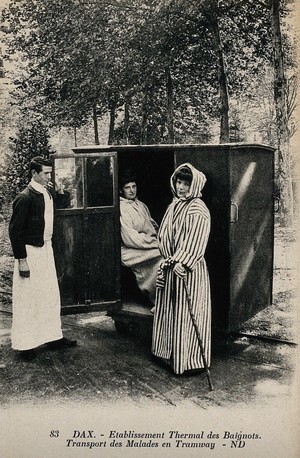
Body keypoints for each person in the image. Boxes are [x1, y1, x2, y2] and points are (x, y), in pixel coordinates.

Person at [9, 156, 77, 361]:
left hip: (46, 250)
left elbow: (59, 207)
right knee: (28, 299)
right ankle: (25, 344)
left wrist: (62, 191)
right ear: (34, 174)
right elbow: (15, 231)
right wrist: (22, 260)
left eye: (50, 172)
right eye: (46, 173)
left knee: (49, 295)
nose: (49, 176)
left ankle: (53, 337)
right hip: (30, 253)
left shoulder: (46, 193)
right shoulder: (25, 197)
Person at [152, 163, 211, 375]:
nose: (182, 187)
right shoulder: (174, 205)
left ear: (194, 185)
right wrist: (169, 259)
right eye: (179, 182)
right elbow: (165, 234)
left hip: (188, 270)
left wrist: (183, 262)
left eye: (186, 183)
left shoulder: (198, 209)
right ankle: (167, 354)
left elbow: (196, 241)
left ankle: (188, 361)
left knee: (186, 314)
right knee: (169, 313)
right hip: (171, 267)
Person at [119, 169, 162, 305]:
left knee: (167, 257)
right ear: (121, 190)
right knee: (162, 258)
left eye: (134, 186)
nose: (132, 190)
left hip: (146, 246)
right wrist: (155, 243)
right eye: (127, 188)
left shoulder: (141, 205)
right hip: (130, 250)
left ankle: (164, 301)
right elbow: (130, 238)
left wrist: (161, 238)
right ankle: (158, 302)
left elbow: (153, 225)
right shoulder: (122, 207)